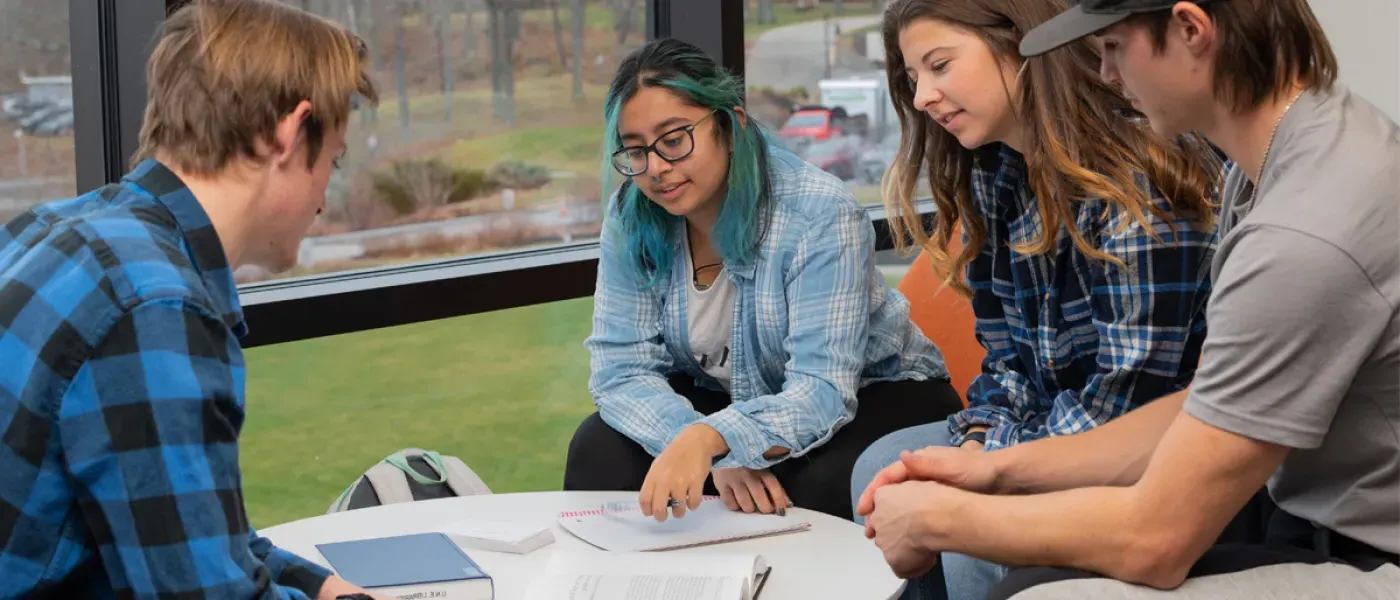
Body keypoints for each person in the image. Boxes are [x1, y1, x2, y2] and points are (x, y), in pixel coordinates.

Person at [857, 0, 1400, 598]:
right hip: (1300, 516)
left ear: (1191, 30)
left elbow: (1157, 541)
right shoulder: (1282, 153)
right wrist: (994, 465)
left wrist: (940, 518)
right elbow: (1202, 404)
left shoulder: (1301, 233)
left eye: (1113, 46)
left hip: (1366, 552)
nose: (1104, 73)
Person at [0, 1, 387, 598]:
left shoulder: (53, 230)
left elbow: (193, 537)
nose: (323, 200)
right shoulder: (154, 309)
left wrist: (326, 589)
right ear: (289, 132)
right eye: (331, 160)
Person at [846, 0, 1226, 597]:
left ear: (1020, 44)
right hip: (1039, 432)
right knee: (880, 469)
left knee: (970, 531)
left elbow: (1124, 404)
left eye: (939, 65)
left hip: (1138, 454)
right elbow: (1006, 363)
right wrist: (978, 441)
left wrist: (986, 469)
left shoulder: (1139, 176)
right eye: (913, 78)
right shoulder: (997, 174)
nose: (921, 98)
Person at [563, 38, 962, 522]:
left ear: (732, 127)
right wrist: (701, 443)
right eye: (636, 152)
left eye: (674, 140)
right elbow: (621, 372)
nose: (657, 169)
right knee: (597, 447)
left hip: (877, 391)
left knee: (811, 485)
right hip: (743, 396)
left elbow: (821, 389)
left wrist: (718, 441)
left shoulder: (817, 211)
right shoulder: (631, 215)